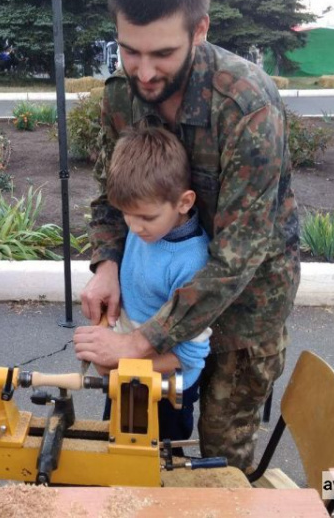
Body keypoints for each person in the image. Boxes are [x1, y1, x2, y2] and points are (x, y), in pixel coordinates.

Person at [73, 0, 300, 472]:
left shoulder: (247, 107)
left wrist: (138, 340)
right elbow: (113, 198)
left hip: (246, 310)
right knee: (146, 432)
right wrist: (107, 265)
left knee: (221, 452)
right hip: (159, 300)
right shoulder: (121, 100)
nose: (144, 71)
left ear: (200, 30)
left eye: (163, 53)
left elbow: (239, 258)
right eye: (129, 51)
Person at [101, 125, 212, 444]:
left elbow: (190, 356)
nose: (135, 228)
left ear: (184, 202)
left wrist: (117, 362)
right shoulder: (148, 228)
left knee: (159, 469)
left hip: (165, 390)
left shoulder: (191, 263)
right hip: (129, 371)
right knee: (118, 451)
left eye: (145, 218)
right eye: (126, 215)